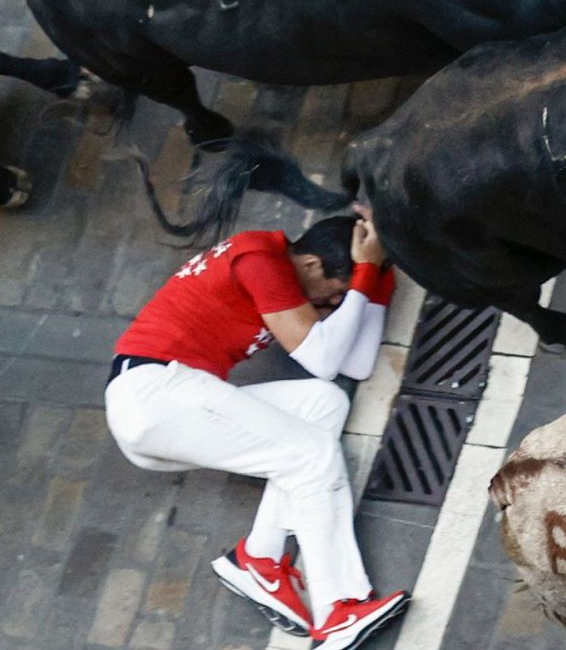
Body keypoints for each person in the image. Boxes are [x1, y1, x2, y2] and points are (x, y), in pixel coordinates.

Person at [104, 210, 410, 649]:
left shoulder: (290, 272)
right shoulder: (258, 256)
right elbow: (325, 358)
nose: (332, 308)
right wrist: (362, 272)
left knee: (322, 404)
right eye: (333, 294)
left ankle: (260, 559)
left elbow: (354, 363)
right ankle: (339, 607)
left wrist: (376, 279)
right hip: (156, 392)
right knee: (311, 457)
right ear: (309, 265)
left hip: (169, 401)